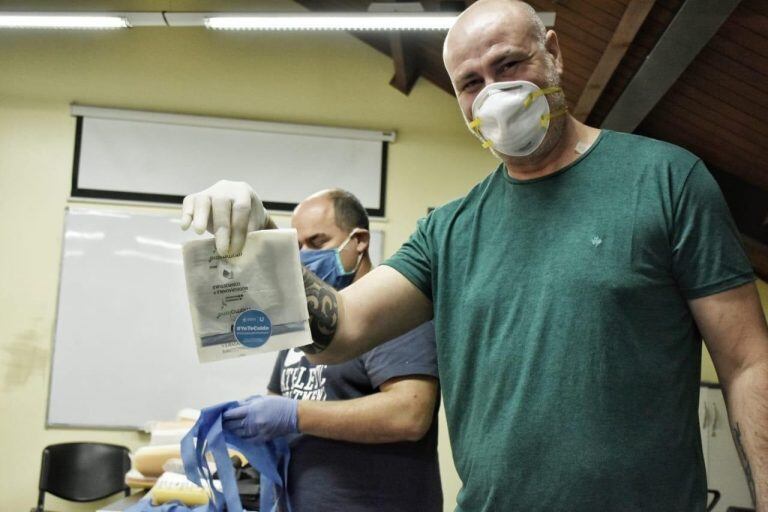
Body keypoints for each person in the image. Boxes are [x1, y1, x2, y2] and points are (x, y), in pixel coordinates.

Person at [181, 1, 768, 510]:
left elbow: (747, 364)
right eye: (471, 82)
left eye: (509, 65)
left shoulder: (665, 179)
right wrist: (260, 242)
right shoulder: (449, 230)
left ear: (555, 53)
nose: (495, 94)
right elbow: (338, 332)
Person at [216, 189, 442, 512]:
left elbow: (410, 413)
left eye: (318, 242)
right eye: (297, 247)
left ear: (359, 241)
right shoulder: (304, 321)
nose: (304, 256)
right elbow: (278, 400)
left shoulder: (393, 313)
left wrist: (294, 415)